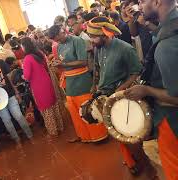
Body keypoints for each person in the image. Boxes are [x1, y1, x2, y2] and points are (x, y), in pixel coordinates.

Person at [87, 16, 157, 176]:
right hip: (107, 97)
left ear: (105, 34)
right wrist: (95, 85)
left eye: (93, 36)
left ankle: (149, 170)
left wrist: (120, 90)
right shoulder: (98, 48)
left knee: (133, 136)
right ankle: (132, 161)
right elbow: (98, 68)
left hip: (123, 98)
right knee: (118, 133)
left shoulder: (125, 49)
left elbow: (137, 72)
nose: (91, 40)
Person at [125, 0, 178, 179]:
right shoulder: (170, 28)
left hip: (172, 120)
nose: (139, 5)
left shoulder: (167, 45)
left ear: (156, 2)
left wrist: (147, 90)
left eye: (142, 1)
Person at [48, 25, 108, 143]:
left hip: (81, 80)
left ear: (62, 32)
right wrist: (56, 63)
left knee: (88, 110)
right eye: (56, 40)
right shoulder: (59, 46)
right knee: (74, 111)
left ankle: (99, 136)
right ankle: (83, 135)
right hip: (69, 82)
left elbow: (83, 62)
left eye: (59, 38)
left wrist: (63, 65)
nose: (58, 41)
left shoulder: (77, 40)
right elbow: (62, 61)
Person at [21, 37, 64, 137]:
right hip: (47, 81)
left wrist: (23, 75)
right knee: (53, 104)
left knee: (46, 108)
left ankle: (53, 131)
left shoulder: (27, 58)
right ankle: (60, 127)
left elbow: (27, 76)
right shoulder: (39, 53)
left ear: (24, 47)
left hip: (38, 86)